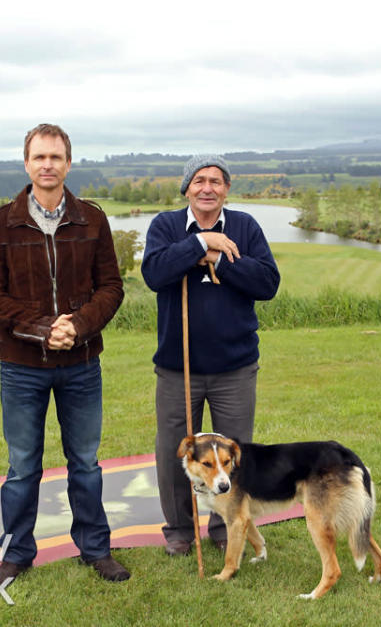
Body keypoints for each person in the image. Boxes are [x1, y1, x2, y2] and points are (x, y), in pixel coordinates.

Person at [0, 123, 130, 583]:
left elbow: (112, 288)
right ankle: (17, 555)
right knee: (23, 466)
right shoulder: (1, 222)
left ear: (68, 162)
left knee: (85, 463)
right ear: (26, 163)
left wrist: (77, 327)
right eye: (39, 157)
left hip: (82, 365)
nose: (48, 165)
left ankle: (95, 549)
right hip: (22, 367)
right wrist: (43, 329)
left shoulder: (92, 219)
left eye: (56, 157)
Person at [141, 154, 280, 555]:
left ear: (227, 189)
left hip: (234, 367)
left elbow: (267, 282)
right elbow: (154, 273)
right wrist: (199, 243)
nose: (207, 188)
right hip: (177, 366)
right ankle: (180, 532)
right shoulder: (165, 226)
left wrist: (220, 257)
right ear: (187, 188)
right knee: (175, 451)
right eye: (199, 180)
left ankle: (224, 528)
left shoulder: (245, 227)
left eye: (216, 181)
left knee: (233, 453)